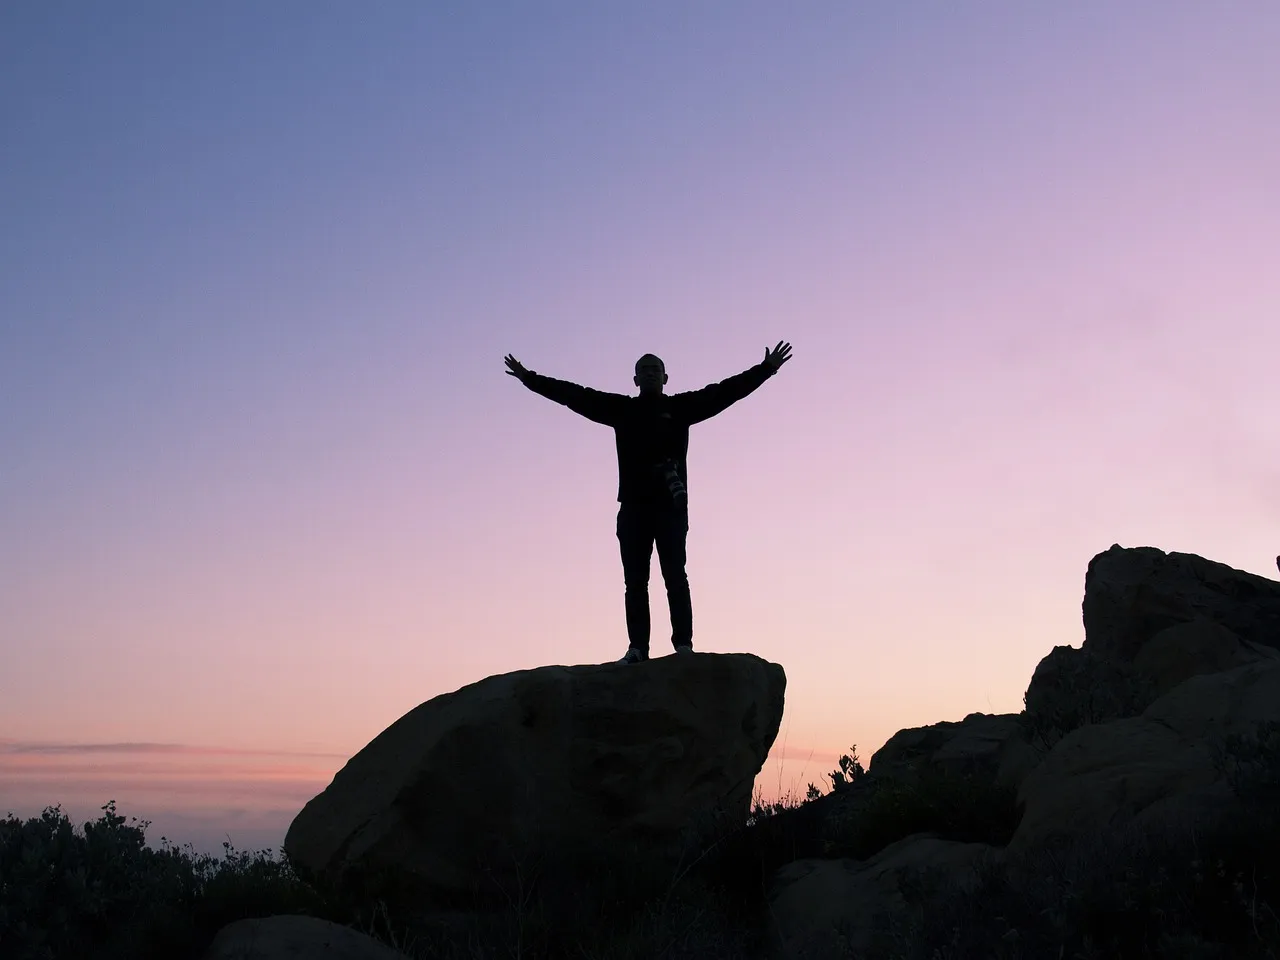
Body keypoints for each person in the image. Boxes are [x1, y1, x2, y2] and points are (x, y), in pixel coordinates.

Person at [504, 342, 793, 663]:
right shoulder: (622, 410)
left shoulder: (682, 408)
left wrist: (765, 370)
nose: (651, 373)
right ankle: (638, 649)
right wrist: (529, 379)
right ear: (635, 380)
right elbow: (575, 396)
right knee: (635, 582)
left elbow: (724, 392)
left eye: (656, 369)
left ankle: (683, 645)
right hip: (633, 508)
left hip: (670, 506)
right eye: (645, 370)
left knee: (675, 576)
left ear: (666, 377)